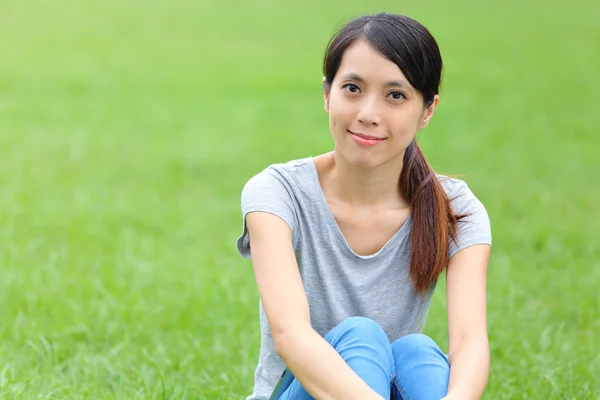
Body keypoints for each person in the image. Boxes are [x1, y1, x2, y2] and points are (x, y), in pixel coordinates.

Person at [236, 12, 492, 400]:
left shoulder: (455, 207)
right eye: (352, 88)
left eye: (395, 95)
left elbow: (470, 343)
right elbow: (290, 335)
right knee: (362, 335)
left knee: (416, 351)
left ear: (427, 110)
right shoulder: (277, 192)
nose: (368, 114)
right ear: (327, 94)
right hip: (301, 391)